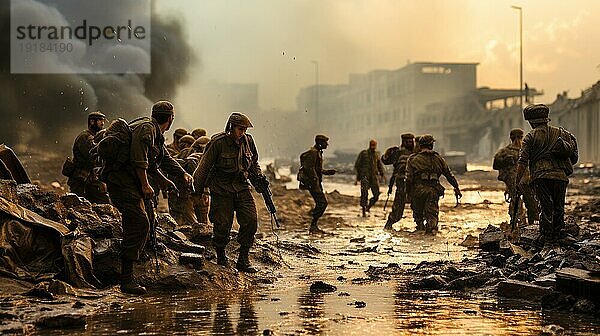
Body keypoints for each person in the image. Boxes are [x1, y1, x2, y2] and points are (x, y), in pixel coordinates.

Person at [105, 100, 193, 294]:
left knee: (149, 220)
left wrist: (177, 176)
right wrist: (146, 185)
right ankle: (126, 280)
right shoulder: (147, 129)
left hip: (129, 182)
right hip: (122, 183)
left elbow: (162, 160)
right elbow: (139, 159)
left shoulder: (154, 132)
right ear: (170, 119)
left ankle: (140, 261)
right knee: (138, 221)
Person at [193, 112, 267, 273]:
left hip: (242, 187)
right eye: (240, 129)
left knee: (251, 221)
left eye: (245, 129)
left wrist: (259, 180)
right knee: (222, 224)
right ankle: (221, 256)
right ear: (231, 127)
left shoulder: (248, 141)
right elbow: (203, 168)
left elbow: (254, 163)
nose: (243, 133)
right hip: (221, 189)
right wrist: (198, 193)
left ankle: (243, 259)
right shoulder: (218, 142)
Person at [515, 104, 578, 245]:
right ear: (546, 119)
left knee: (545, 207)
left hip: (541, 176)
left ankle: (547, 237)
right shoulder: (563, 133)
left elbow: (522, 161)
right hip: (560, 176)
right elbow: (573, 157)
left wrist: (517, 181)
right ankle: (560, 234)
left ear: (531, 122)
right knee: (558, 206)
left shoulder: (530, 137)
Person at [405, 135, 461, 234]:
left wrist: (408, 193)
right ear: (431, 145)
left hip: (418, 191)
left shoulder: (413, 159)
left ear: (420, 145)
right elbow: (449, 175)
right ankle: (430, 236)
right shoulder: (439, 159)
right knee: (432, 217)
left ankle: (420, 236)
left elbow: (408, 179)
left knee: (418, 217)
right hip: (433, 190)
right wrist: (456, 187)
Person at [493, 128, 539, 229]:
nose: (518, 140)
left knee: (531, 205)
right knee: (518, 205)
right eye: (516, 137)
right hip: (516, 182)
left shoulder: (527, 150)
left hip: (527, 182)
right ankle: (520, 226)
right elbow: (496, 164)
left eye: (520, 137)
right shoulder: (506, 152)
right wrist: (507, 161)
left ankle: (529, 226)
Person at [67, 111, 111, 204]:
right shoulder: (85, 137)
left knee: (104, 203)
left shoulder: (94, 137)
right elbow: (92, 156)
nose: (102, 123)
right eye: (100, 121)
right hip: (81, 179)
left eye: (103, 121)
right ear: (92, 122)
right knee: (78, 205)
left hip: (90, 179)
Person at [298, 135, 336, 233]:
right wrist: (315, 181)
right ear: (320, 143)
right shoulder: (313, 153)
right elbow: (309, 169)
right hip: (313, 183)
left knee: (321, 203)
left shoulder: (317, 153)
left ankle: (313, 222)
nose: (327, 144)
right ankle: (313, 224)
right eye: (325, 142)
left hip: (316, 182)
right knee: (322, 203)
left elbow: (317, 169)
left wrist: (327, 172)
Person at [381, 133, 415, 230]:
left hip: (414, 184)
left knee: (418, 207)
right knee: (398, 207)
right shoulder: (397, 152)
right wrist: (388, 153)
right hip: (402, 184)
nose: (411, 143)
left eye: (411, 141)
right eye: (408, 142)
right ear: (404, 142)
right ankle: (389, 224)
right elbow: (385, 161)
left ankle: (421, 226)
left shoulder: (416, 152)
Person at [354, 139, 385, 217]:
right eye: (372, 145)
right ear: (369, 145)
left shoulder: (376, 155)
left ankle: (368, 207)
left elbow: (379, 165)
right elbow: (357, 165)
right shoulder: (363, 154)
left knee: (376, 194)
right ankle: (364, 211)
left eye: (374, 145)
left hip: (374, 177)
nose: (373, 147)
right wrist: (357, 178)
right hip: (365, 177)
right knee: (364, 194)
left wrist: (382, 175)